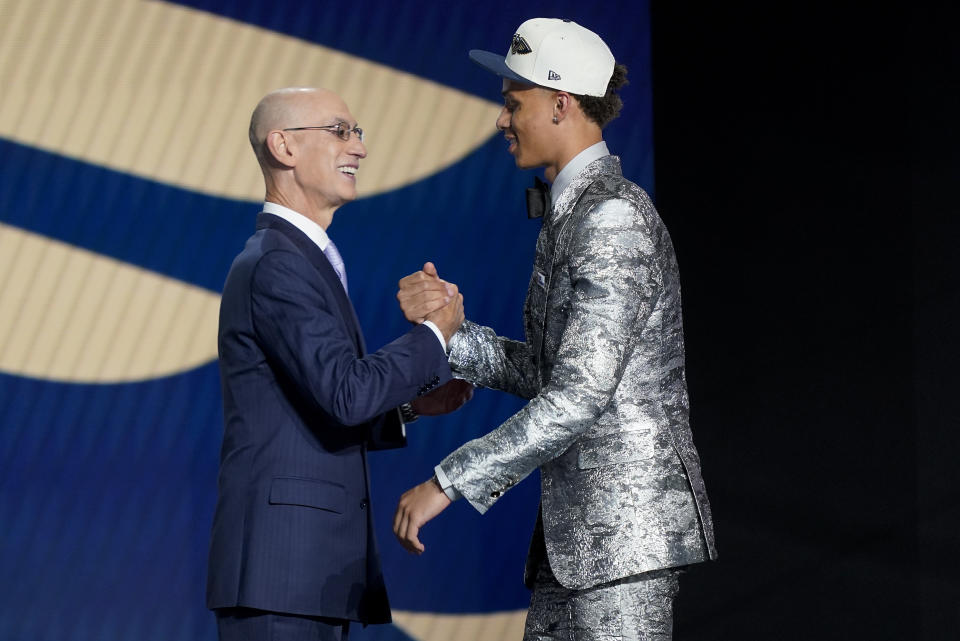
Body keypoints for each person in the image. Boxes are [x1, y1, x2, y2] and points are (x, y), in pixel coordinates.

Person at [392, 19, 717, 640]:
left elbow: (577, 396)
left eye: (514, 104)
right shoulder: (580, 211)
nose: (501, 121)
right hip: (576, 549)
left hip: (621, 546)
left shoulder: (612, 218)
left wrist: (448, 480)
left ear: (561, 105)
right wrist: (452, 334)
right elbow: (554, 373)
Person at [206, 87, 470, 641]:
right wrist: (433, 335)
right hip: (281, 573)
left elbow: (316, 403)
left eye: (358, 133)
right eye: (340, 131)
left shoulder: (303, 258)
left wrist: (408, 407)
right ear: (284, 147)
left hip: (308, 577)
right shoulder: (277, 263)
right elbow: (346, 392)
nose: (359, 148)